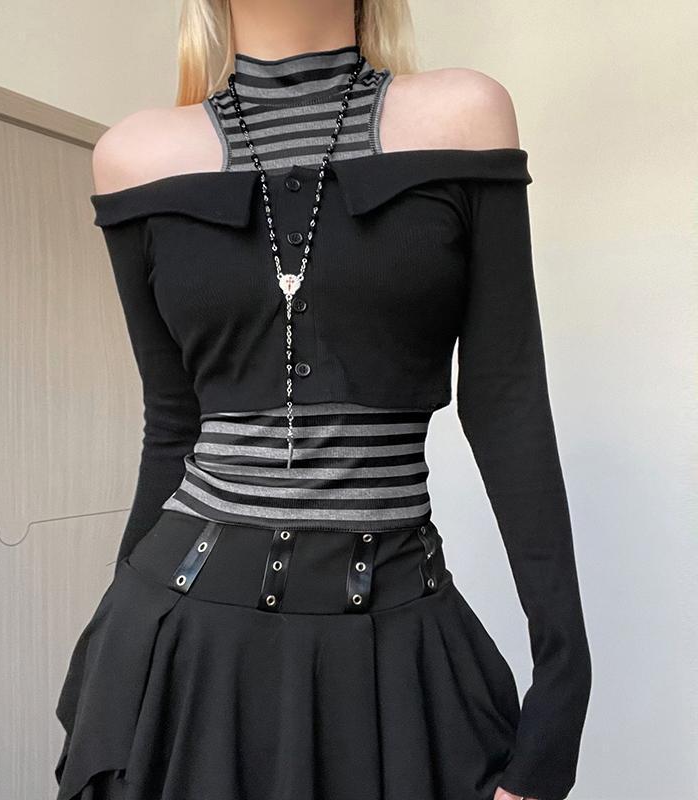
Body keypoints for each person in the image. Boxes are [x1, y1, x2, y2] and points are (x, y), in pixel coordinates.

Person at [53, 1, 592, 799]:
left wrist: (562, 695)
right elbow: (171, 423)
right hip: (187, 634)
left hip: (392, 638)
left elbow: (505, 400)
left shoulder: (464, 115)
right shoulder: (133, 156)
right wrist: (114, 666)